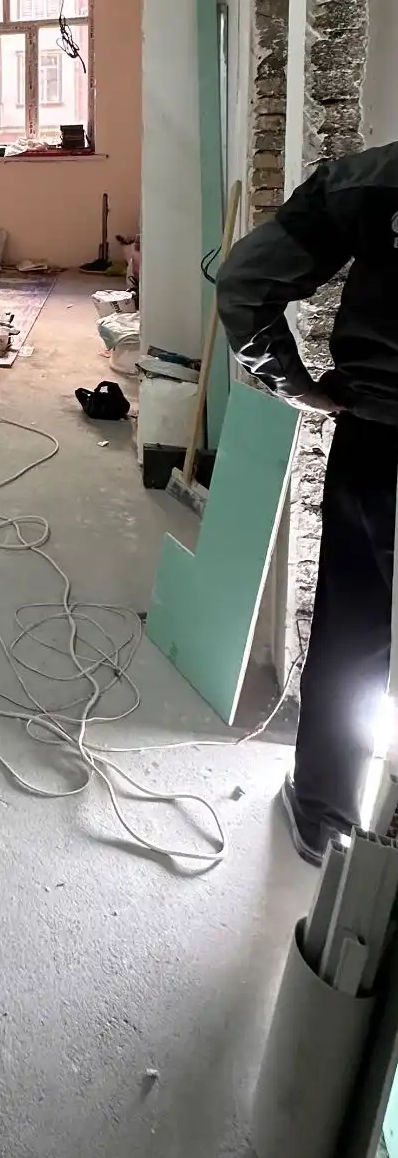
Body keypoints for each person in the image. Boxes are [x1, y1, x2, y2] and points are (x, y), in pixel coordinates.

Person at [217, 141, 398, 864]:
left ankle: (325, 815)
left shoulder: (373, 180)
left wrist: (295, 384)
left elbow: (244, 281)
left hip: (379, 442)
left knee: (354, 630)